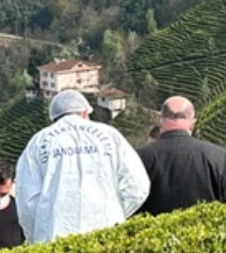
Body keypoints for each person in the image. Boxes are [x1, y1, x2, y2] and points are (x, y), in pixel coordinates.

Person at [15, 90, 150, 243]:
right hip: (106, 237)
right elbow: (138, 188)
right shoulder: (110, 135)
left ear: (53, 118)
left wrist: (38, 235)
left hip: (55, 240)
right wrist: (115, 215)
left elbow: (27, 200)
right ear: (85, 112)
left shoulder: (38, 143)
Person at [137, 96, 226, 215]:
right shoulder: (218, 157)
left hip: (152, 231)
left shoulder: (140, 157)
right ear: (193, 123)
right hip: (206, 231)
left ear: (159, 120)